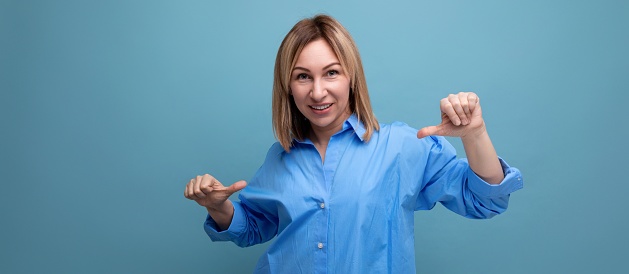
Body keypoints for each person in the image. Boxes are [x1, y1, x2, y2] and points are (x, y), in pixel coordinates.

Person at [184, 14, 523, 273]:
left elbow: (486, 201)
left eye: (331, 73)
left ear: (351, 76)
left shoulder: (401, 147)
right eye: (303, 76)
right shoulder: (280, 158)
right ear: (288, 85)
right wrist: (219, 208)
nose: (318, 92)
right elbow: (253, 226)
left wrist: (475, 135)